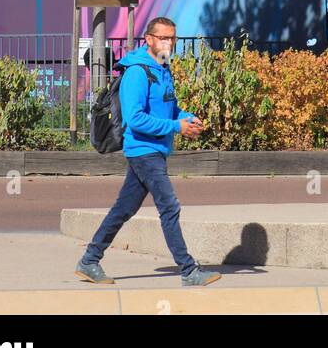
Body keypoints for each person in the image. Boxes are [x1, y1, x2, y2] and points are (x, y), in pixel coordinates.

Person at [75, 16, 220, 286]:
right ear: (149, 39)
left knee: (124, 209)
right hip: (143, 150)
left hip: (156, 149)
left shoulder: (162, 67)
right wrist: (177, 127)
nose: (169, 43)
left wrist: (187, 117)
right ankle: (188, 271)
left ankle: (89, 260)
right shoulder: (138, 72)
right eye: (163, 38)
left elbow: (170, 108)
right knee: (169, 206)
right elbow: (136, 118)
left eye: (172, 38)